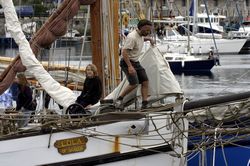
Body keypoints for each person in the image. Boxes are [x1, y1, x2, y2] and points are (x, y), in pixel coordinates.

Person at [116, 19, 154, 109]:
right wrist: (129, 67)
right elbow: (124, 52)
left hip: (136, 62)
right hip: (127, 62)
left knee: (145, 81)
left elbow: (140, 39)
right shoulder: (132, 37)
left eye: (150, 30)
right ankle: (119, 99)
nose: (148, 32)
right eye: (147, 30)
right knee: (134, 83)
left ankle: (145, 103)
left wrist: (148, 39)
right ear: (141, 28)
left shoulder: (140, 35)